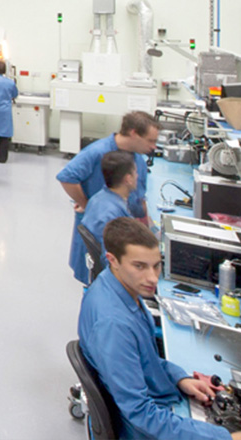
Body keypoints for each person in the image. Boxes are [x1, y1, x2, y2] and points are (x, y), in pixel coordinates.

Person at [78, 217, 240, 440]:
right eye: (140, 266)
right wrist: (225, 438)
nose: (153, 278)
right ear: (113, 260)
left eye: (156, 265)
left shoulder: (121, 288)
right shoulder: (114, 325)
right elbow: (141, 415)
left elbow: (146, 359)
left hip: (150, 409)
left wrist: (179, 378)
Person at [56, 111, 159, 286]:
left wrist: (148, 235)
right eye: (150, 140)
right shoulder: (98, 152)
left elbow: (140, 200)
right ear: (134, 133)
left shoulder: (138, 160)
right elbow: (67, 177)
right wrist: (87, 205)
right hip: (104, 227)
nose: (154, 147)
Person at [71, 150, 135, 285]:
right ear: (128, 179)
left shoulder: (100, 197)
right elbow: (111, 262)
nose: (138, 176)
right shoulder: (111, 216)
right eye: (135, 172)